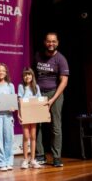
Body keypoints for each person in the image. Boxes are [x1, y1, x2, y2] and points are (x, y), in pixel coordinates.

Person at [34, 32, 69, 167]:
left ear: (57, 43)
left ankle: (56, 157)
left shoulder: (61, 59)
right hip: (39, 94)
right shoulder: (37, 56)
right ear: (45, 42)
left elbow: (64, 82)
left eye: (53, 41)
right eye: (49, 41)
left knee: (56, 126)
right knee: (38, 125)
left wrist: (52, 99)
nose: (51, 44)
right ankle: (40, 155)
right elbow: (33, 75)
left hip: (55, 93)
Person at [0, 63, 15, 171]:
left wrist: (13, 107)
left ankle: (8, 161)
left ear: (6, 73)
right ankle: (1, 163)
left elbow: (14, 101)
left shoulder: (10, 85)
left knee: (9, 139)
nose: (1, 72)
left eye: (3, 71)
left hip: (8, 115)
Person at [17, 67, 42, 169]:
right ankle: (25, 159)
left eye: (29, 74)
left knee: (33, 136)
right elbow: (19, 101)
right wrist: (19, 113)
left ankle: (32, 160)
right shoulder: (21, 86)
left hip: (34, 114)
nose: (27, 76)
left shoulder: (36, 87)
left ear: (32, 76)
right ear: (23, 77)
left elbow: (40, 99)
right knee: (26, 136)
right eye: (25, 75)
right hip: (25, 113)